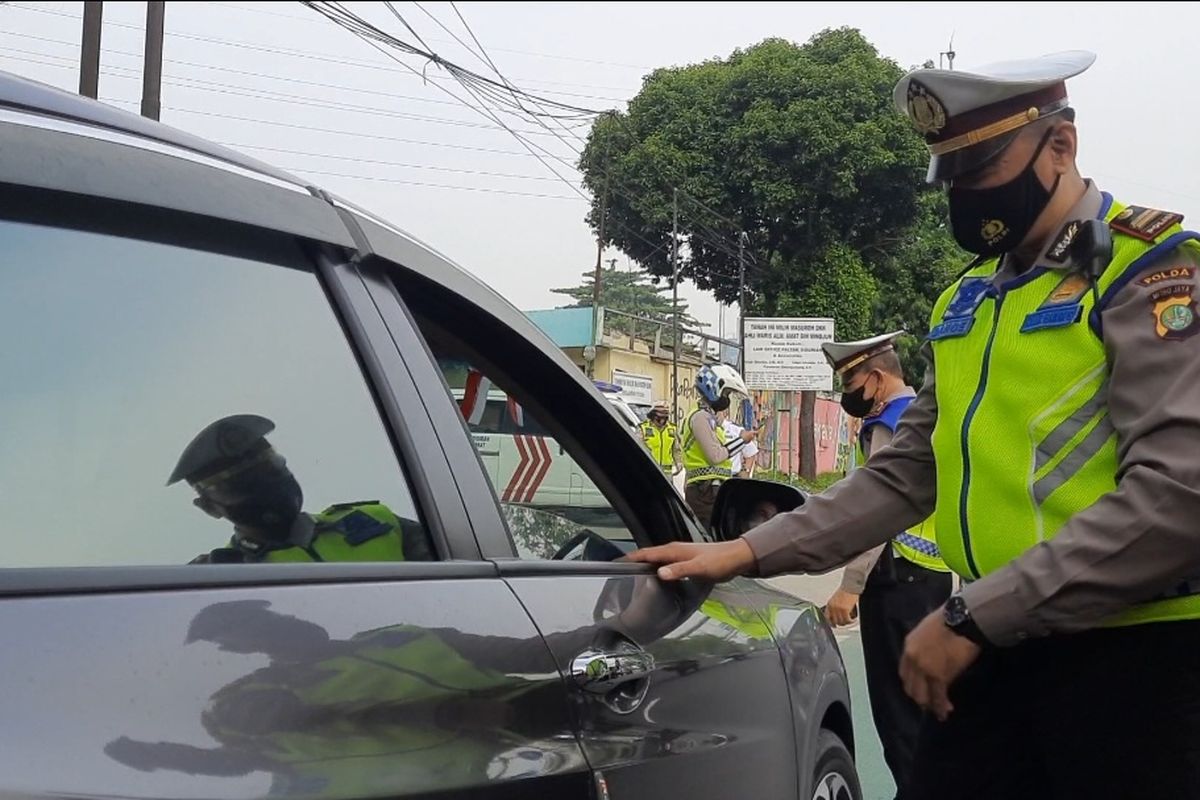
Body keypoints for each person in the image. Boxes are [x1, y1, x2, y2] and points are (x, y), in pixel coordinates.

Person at [628, 50, 1200, 799]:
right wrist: (743, 551)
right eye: (950, 174)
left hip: (1138, 659)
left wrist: (967, 617)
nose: (963, 194)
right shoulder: (967, 302)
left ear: (1060, 146)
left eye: (981, 168)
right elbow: (906, 472)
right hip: (996, 643)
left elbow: (1178, 497)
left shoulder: (1148, 273)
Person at [820, 331, 953, 799]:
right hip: (931, 579)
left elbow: (878, 511)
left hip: (897, 582)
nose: (848, 394)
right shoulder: (922, 415)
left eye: (852, 381)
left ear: (876, 379)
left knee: (899, 719)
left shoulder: (888, 425)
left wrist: (850, 585)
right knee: (926, 708)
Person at [169, 414, 432, 563]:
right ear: (208, 507)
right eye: (242, 484)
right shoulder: (223, 579)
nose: (266, 486)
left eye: (271, 467)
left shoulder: (374, 522)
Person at [680, 364, 757, 531]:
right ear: (712, 388)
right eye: (725, 393)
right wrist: (741, 440)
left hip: (712, 488)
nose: (726, 399)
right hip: (705, 491)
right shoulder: (700, 418)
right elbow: (715, 456)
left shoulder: (709, 418)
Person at [639, 399, 683, 476]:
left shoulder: (672, 429)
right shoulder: (643, 428)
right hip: (648, 470)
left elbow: (676, 449)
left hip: (667, 474)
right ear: (652, 416)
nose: (662, 421)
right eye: (659, 418)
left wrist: (679, 463)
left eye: (665, 418)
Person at [720, 411, 759, 478]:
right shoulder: (702, 428)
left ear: (725, 412)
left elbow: (750, 452)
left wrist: (746, 470)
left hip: (731, 476)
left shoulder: (736, 429)